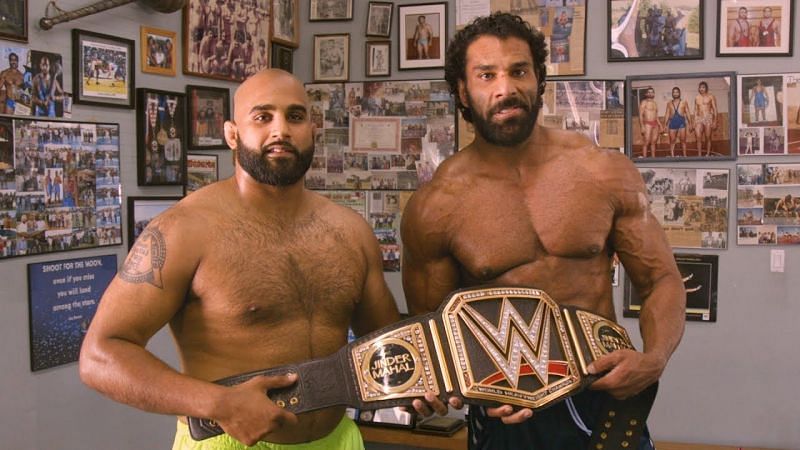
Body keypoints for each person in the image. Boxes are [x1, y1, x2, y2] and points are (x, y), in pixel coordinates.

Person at [401, 13, 685, 450]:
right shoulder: (436, 207)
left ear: (539, 79)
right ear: (463, 89)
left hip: (601, 395)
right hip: (506, 413)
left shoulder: (603, 172)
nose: (506, 88)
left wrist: (654, 359)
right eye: (486, 75)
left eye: (519, 71)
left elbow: (661, 279)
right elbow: (436, 334)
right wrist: (475, 390)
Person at [79, 69, 401, 449]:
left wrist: (419, 385)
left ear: (313, 130)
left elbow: (386, 342)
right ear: (232, 134)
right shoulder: (183, 229)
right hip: (230, 443)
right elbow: (100, 354)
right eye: (262, 117)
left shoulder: (351, 231)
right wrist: (219, 403)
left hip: (337, 440)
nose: (280, 130)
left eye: (295, 117)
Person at [665, 87, 691, 157]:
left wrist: (690, 123)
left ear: (679, 93)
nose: (675, 93)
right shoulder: (669, 103)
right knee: (672, 141)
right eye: (674, 92)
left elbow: (688, 113)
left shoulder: (684, 102)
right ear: (672, 94)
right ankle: (672, 156)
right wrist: (665, 125)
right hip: (672, 123)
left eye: (677, 92)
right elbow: (667, 114)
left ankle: (685, 156)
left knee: (683, 140)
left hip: (681, 123)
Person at [694, 81, 717, 157]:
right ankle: (699, 155)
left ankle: (708, 153)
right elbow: (695, 110)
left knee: (708, 137)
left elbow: (715, 109)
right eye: (700, 87)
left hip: (708, 117)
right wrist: (694, 120)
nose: (701, 89)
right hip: (699, 118)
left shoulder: (711, 96)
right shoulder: (697, 98)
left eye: (703, 87)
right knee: (698, 137)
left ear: (706, 88)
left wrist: (715, 121)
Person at [639, 87, 662, 158]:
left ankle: (653, 157)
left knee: (653, 142)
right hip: (647, 123)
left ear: (654, 94)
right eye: (649, 92)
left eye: (652, 92)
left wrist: (660, 125)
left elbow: (656, 116)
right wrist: (642, 126)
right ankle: (644, 158)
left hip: (655, 123)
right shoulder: (644, 102)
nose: (650, 93)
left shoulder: (655, 103)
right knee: (646, 142)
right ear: (646, 94)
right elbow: (640, 115)